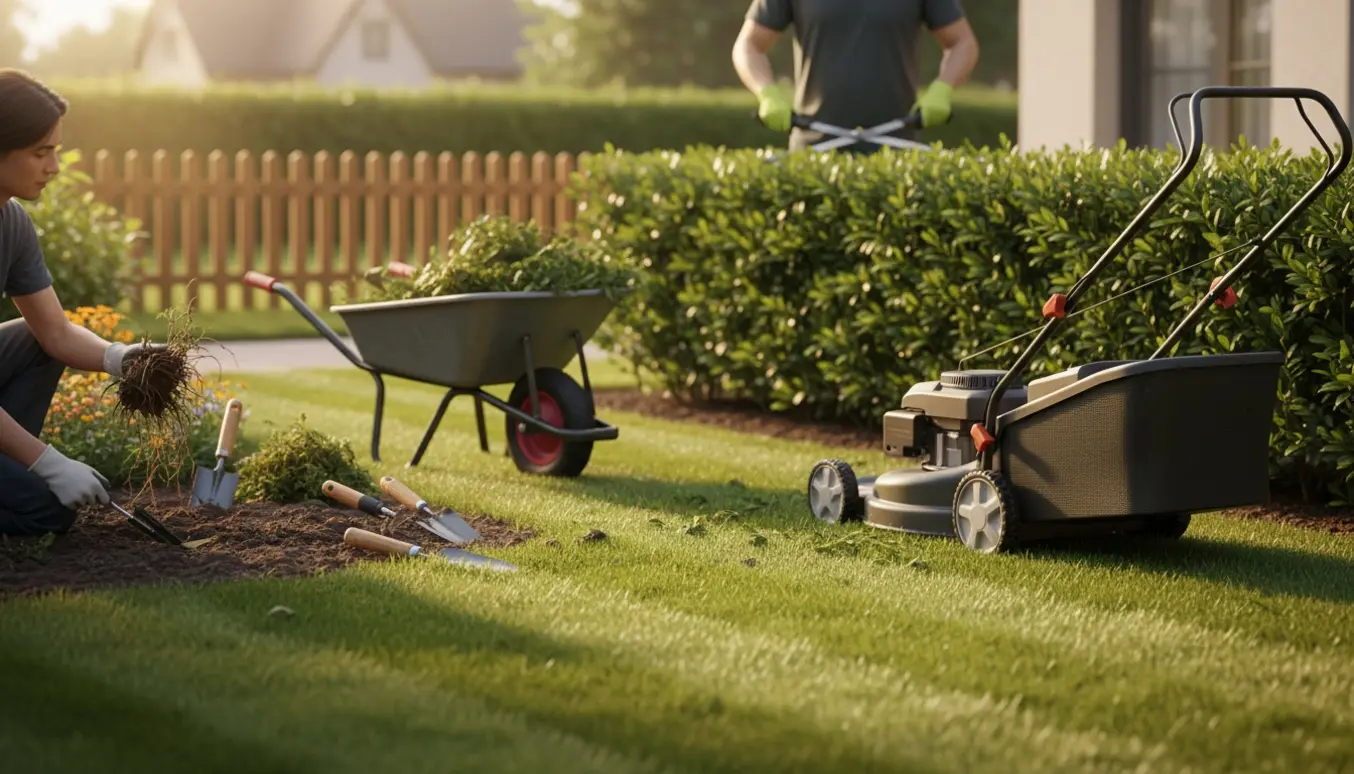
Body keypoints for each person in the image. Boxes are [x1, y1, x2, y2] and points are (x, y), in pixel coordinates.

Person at [0, 69, 165, 536]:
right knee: (48, 511)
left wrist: (119, 357)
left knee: (33, 340)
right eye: (40, 152)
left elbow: (54, 332)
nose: (54, 166)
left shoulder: (11, 221)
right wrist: (47, 463)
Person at [732, 0, 980, 154]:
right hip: (813, 150)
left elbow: (962, 42)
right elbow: (749, 45)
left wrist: (943, 89)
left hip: (896, 147)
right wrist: (767, 93)